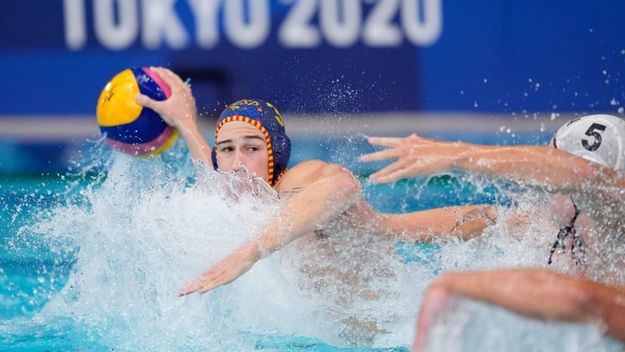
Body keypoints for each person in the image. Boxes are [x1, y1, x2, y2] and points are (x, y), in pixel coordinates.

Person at [133, 67, 498, 300]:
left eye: (252, 148)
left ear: (275, 154)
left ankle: (503, 221)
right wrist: (185, 121)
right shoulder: (242, 192)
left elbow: (342, 185)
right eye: (227, 149)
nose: (238, 162)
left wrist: (246, 254)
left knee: (391, 229)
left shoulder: (298, 180)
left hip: (389, 327)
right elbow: (214, 174)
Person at [360, 115, 625, 349]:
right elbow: (489, 218)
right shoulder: (561, 223)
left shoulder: (614, 210)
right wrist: (382, 225)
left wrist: (456, 154)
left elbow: (587, 175)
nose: (543, 187)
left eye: (549, 170)